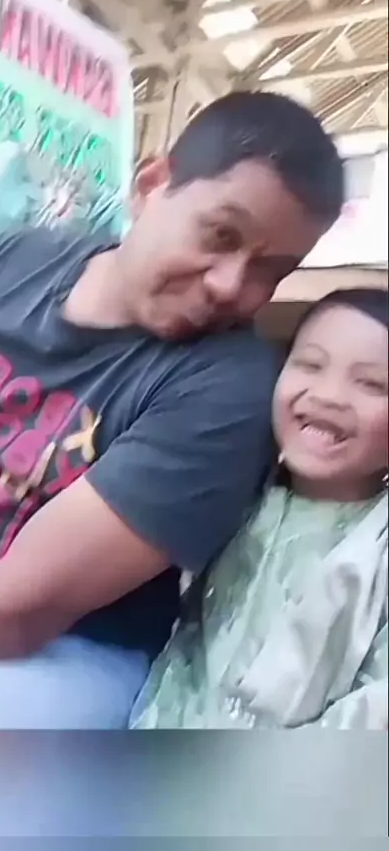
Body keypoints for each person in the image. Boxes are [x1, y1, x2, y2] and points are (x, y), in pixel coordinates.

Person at [0, 90, 343, 729]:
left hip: (64, 652)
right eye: (220, 235)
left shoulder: (228, 388)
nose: (231, 285)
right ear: (151, 186)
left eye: (270, 271)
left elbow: (22, 608)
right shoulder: (12, 264)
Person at [131, 288, 388, 730]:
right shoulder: (230, 495)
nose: (329, 395)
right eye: (310, 364)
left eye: (373, 384)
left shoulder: (377, 545)